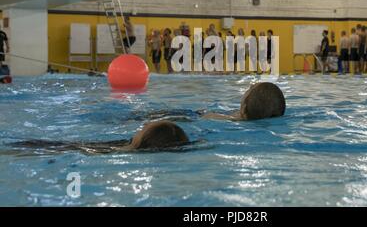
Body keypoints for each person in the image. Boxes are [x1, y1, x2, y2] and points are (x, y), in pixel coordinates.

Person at [9, 121, 189, 154]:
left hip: (50, 148)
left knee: (23, 145)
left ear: (142, 141)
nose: (142, 126)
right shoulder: (127, 145)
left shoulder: (117, 150)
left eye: (145, 128)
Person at [202, 83, 286, 121]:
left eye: (250, 89)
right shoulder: (274, 118)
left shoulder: (217, 117)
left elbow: (205, 116)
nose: (251, 85)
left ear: (244, 108)